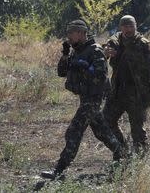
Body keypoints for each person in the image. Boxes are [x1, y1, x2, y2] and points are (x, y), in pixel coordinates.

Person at [41, 20, 123, 180]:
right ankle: (122, 154)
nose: (69, 37)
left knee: (74, 131)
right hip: (85, 98)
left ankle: (59, 170)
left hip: (93, 99)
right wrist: (65, 56)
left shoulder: (95, 51)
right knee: (102, 132)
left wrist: (86, 69)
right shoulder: (75, 51)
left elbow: (101, 77)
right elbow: (61, 72)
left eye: (71, 33)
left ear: (80, 33)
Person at [103, 15, 150, 156]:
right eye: (125, 26)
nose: (128, 29)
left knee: (137, 130)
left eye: (131, 26)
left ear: (135, 26)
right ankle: (123, 151)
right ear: (120, 27)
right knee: (106, 121)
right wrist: (105, 53)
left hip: (137, 93)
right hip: (117, 92)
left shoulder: (142, 44)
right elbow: (104, 53)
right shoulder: (115, 42)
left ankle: (141, 162)